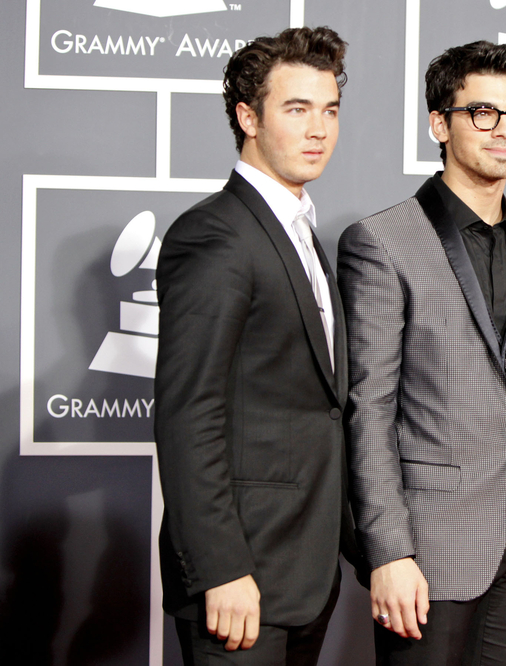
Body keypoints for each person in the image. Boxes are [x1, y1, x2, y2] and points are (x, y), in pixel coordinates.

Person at [338, 40, 506, 666]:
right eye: (482, 112)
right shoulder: (382, 242)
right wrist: (389, 552)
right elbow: (369, 409)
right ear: (439, 124)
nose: (504, 130)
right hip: (430, 552)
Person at [154, 26, 355, 665]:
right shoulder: (215, 234)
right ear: (248, 117)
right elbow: (189, 413)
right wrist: (219, 568)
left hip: (306, 572)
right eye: (297, 109)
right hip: (241, 578)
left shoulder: (300, 233)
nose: (319, 130)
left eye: (330, 111)